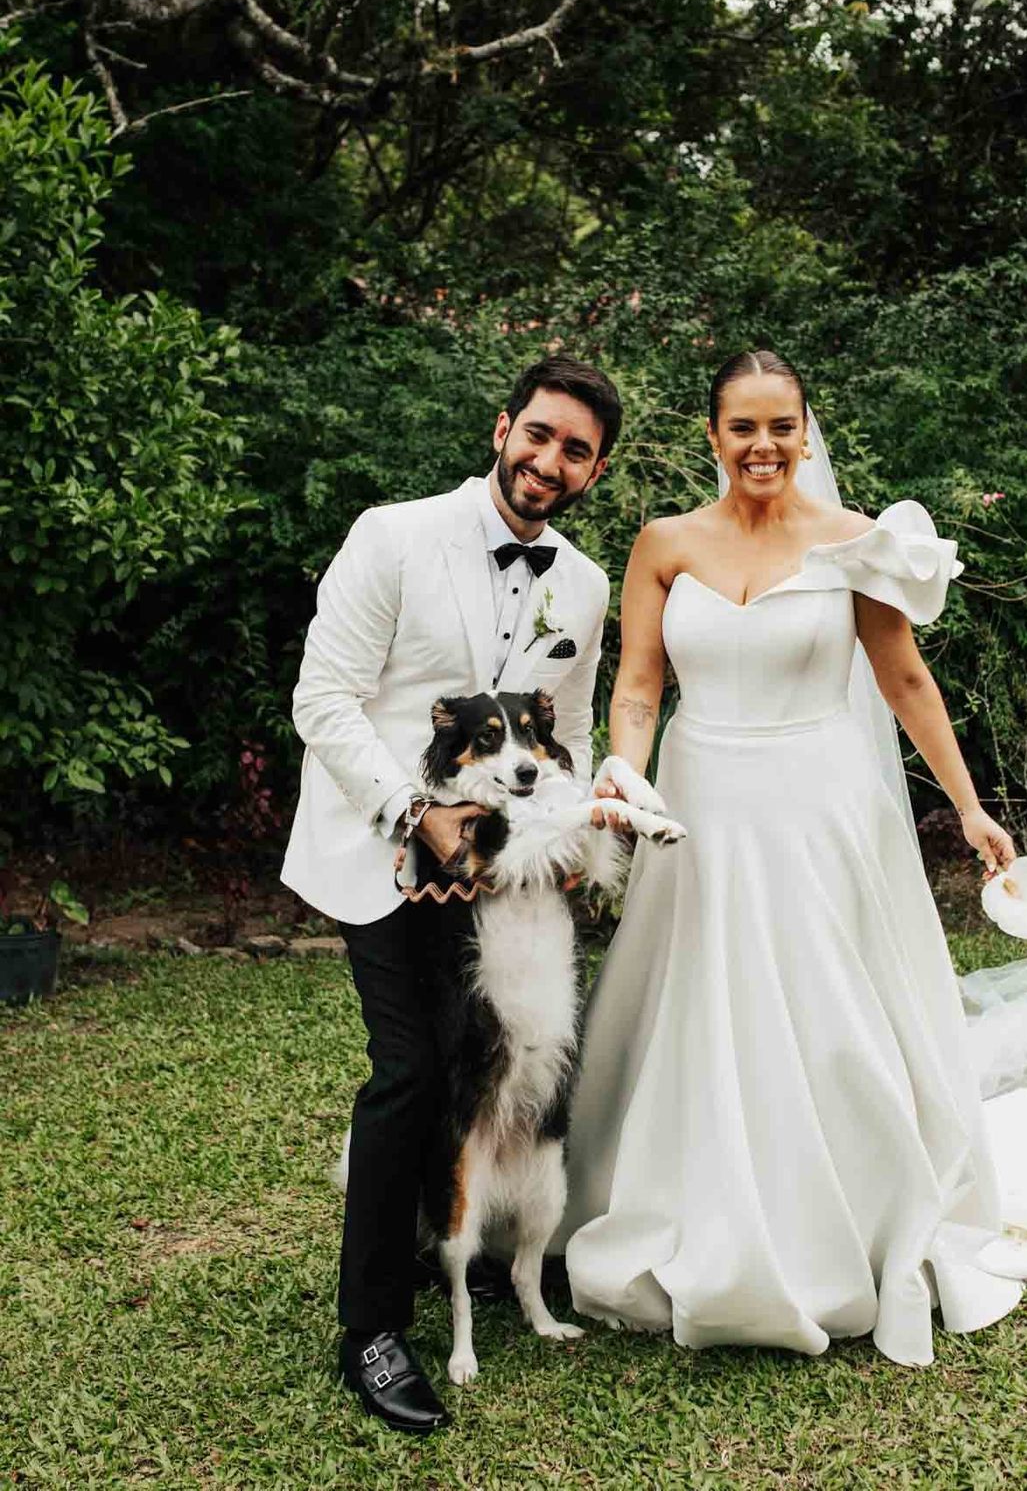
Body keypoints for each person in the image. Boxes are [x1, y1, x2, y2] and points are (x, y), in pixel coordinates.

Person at [562, 347, 1027, 1366]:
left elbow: (904, 682)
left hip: (819, 803)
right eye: (742, 427)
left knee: (828, 1007)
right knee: (704, 998)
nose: (763, 446)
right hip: (703, 799)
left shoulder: (857, 542)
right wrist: (624, 776)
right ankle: (689, 1200)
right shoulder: (664, 543)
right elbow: (638, 685)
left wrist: (970, 809)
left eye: (781, 426)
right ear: (712, 435)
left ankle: (850, 1215)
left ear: (805, 432)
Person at [281, 355, 621, 1433]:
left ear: (594, 471)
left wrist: (566, 836)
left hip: (501, 876)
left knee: (495, 1066)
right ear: (502, 428)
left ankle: (463, 1243)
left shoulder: (585, 587)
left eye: (576, 451)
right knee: (413, 1070)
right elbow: (323, 700)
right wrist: (411, 816)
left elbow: (566, 737)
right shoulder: (393, 535)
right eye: (540, 435)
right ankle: (373, 1330)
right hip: (378, 846)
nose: (550, 461)